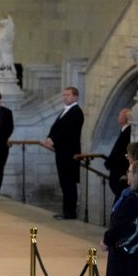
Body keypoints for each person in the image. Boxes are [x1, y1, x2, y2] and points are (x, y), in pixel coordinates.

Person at [44, 86, 84, 219]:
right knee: (64, 182)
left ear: (75, 97)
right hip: (62, 152)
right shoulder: (66, 111)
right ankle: (65, 210)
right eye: (64, 95)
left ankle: (70, 212)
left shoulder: (77, 112)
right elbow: (56, 127)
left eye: (67, 95)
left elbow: (68, 132)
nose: (64, 97)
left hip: (69, 153)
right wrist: (50, 138)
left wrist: (53, 140)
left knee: (69, 183)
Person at [103, 108, 131, 199]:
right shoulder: (124, 130)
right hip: (117, 170)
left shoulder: (128, 132)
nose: (118, 117)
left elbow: (122, 152)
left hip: (121, 171)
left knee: (120, 195)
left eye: (119, 115)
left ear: (125, 118)